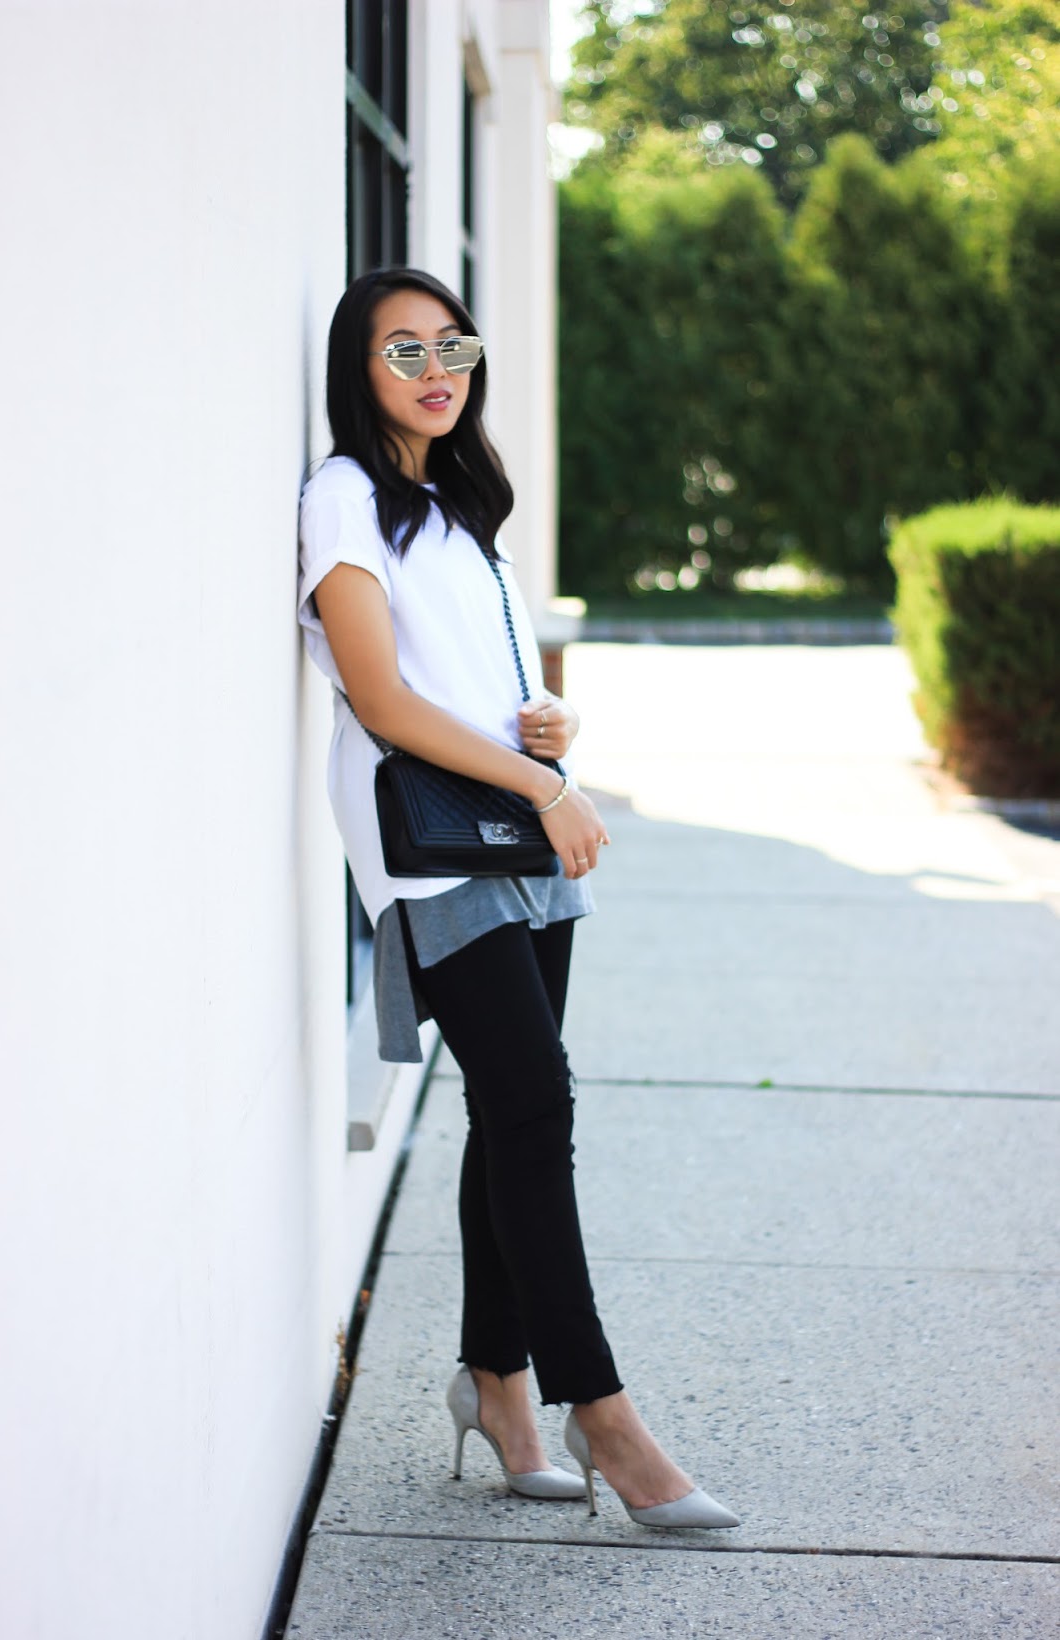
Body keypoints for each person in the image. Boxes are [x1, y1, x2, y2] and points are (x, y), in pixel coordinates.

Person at [297, 266, 738, 1531]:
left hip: (511, 827)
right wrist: (547, 787)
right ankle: (602, 1411)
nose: (437, 370)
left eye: (453, 345)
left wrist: (548, 723)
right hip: (437, 846)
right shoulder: (343, 497)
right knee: (535, 1105)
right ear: (356, 371)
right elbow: (382, 700)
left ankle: (495, 1379)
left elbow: (469, 678)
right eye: (403, 351)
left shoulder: (458, 500)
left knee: (511, 1112)